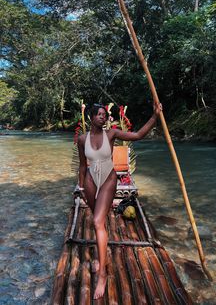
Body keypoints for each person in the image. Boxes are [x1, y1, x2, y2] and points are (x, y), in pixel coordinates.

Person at [76, 102, 162, 299]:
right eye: (99, 114)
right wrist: (81, 187)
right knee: (98, 219)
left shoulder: (112, 134)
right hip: (90, 180)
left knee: (98, 221)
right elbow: (82, 166)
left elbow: (138, 136)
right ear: (91, 117)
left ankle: (103, 274)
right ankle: (99, 257)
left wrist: (154, 116)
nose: (103, 117)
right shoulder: (82, 139)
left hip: (108, 179)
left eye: (104, 114)